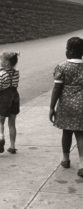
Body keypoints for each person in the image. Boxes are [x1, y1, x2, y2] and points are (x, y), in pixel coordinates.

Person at [49, 37, 83, 177]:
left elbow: (57, 88)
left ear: (70, 51)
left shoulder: (62, 66)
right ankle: (82, 164)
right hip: (81, 104)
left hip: (66, 105)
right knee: (80, 134)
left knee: (66, 132)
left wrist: (52, 107)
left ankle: (66, 159)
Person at [0, 51, 20, 154]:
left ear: (6, 63)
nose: (0, 61)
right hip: (15, 97)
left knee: (0, 121)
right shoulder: (17, 72)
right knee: (12, 123)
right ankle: (12, 146)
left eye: (1, 60)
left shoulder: (0, 75)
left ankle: (1, 137)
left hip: (4, 98)